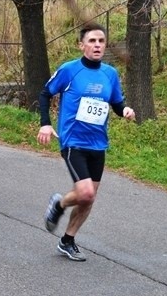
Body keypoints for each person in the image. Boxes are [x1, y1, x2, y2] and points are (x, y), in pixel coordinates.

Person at [38, 22, 136, 262]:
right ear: (81, 45)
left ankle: (67, 240)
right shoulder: (70, 70)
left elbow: (115, 102)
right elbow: (45, 93)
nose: (97, 45)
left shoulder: (110, 74)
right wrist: (45, 123)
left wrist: (124, 110)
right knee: (86, 192)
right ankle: (60, 204)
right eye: (92, 41)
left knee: (88, 197)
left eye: (101, 41)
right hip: (73, 141)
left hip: (98, 144)